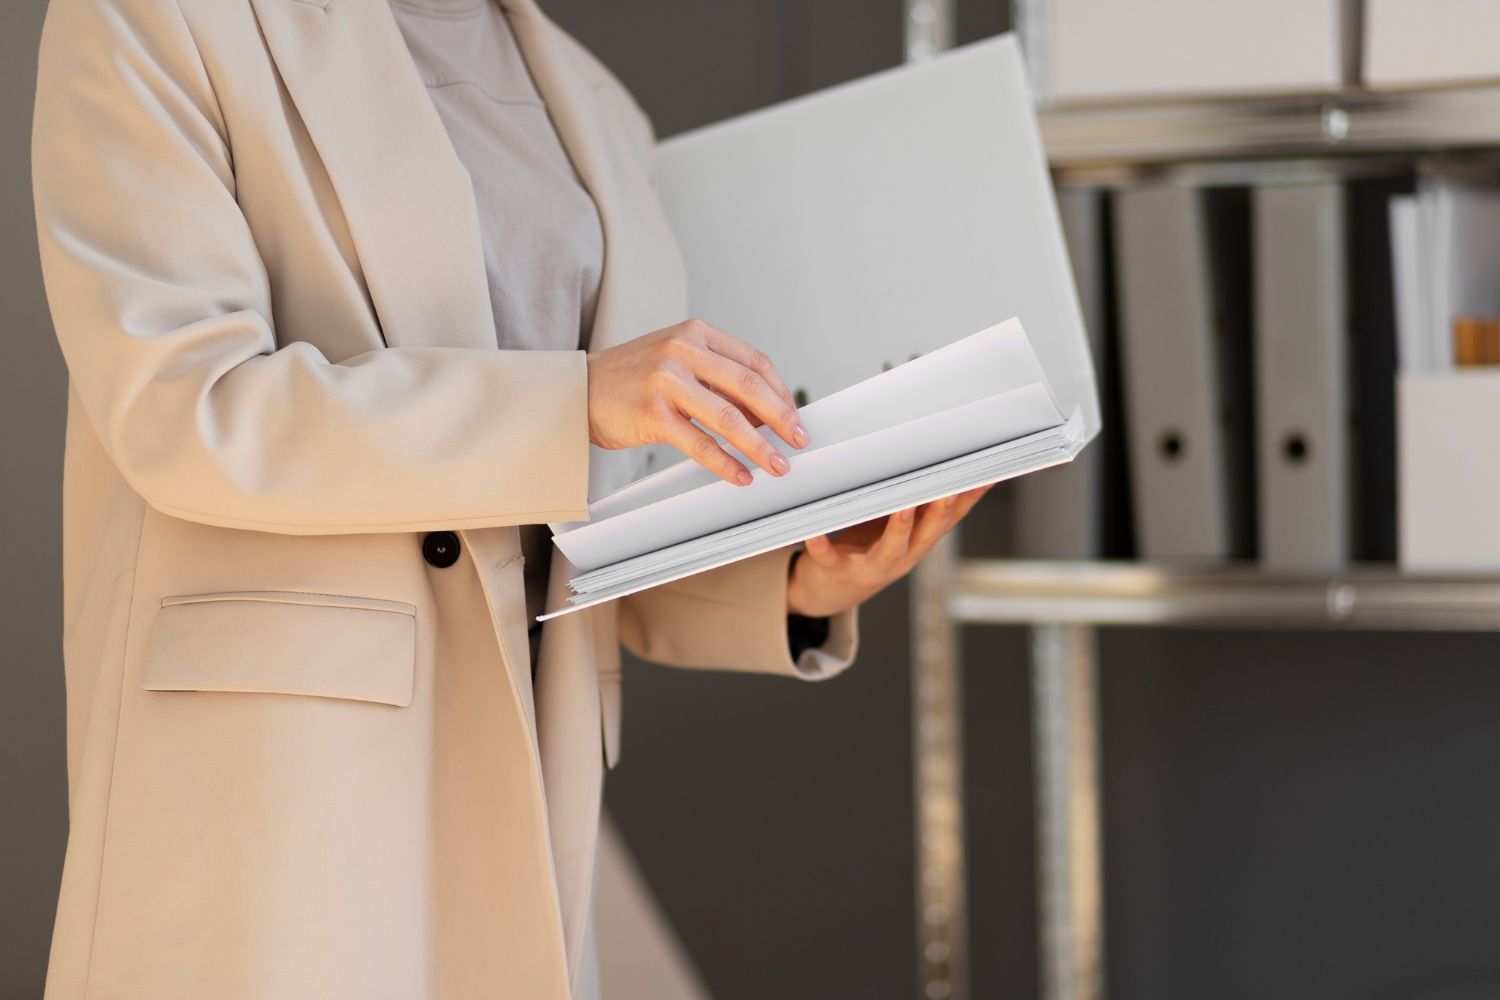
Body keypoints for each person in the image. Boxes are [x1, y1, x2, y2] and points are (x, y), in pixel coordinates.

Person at [30, 0, 991, 996]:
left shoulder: (596, 104)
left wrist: (797, 580)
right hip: (282, 792)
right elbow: (189, 407)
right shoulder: (158, 16)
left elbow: (594, 510)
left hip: (531, 777)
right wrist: (572, 400)